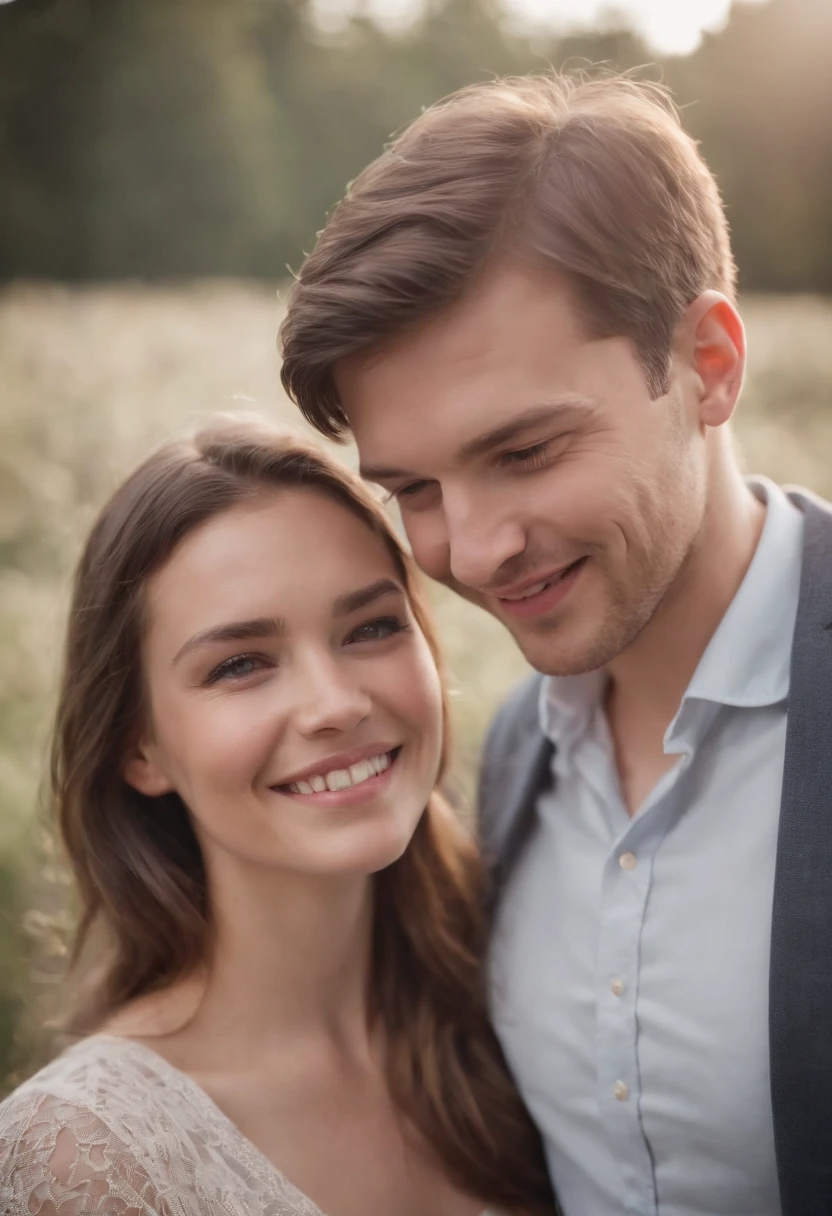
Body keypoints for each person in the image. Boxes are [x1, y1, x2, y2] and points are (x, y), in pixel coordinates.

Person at [278, 72, 832, 1216]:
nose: (473, 553)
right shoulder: (515, 751)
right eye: (414, 489)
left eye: (524, 452)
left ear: (708, 366)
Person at [0, 417, 554, 1216]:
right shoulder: (77, 1160)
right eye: (240, 665)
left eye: (371, 627)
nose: (335, 704)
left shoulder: (525, 1018)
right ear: (140, 748)